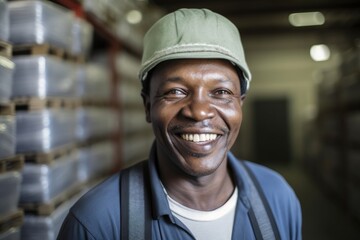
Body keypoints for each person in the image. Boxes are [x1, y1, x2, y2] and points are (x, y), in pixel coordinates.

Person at [57, 8, 302, 240]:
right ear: (147, 106)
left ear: (240, 105)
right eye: (175, 91)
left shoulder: (277, 197)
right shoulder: (96, 222)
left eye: (221, 92)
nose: (199, 112)